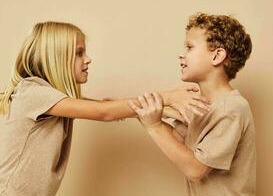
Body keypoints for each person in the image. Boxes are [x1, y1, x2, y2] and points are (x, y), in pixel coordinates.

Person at [0, 21, 209, 196]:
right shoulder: (32, 93)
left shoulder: (54, 99)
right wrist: (167, 96)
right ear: (56, 57)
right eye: (79, 53)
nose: (88, 59)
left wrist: (164, 108)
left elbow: (104, 106)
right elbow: (105, 113)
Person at [129, 12, 255, 196]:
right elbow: (175, 137)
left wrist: (154, 126)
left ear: (217, 56)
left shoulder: (231, 108)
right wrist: (141, 114)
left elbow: (196, 169)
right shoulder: (200, 104)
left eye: (189, 47)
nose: (181, 54)